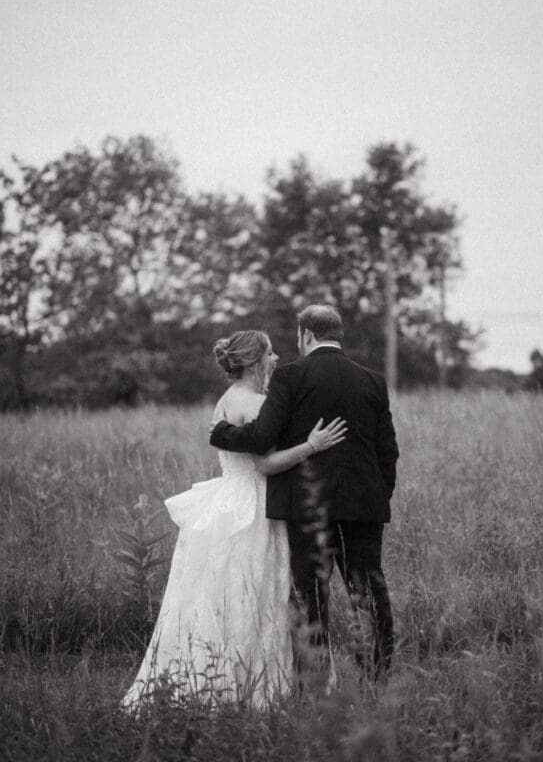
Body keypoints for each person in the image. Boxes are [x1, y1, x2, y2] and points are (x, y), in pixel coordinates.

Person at [122, 330, 346, 710]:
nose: (276, 359)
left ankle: (208, 676)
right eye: (271, 353)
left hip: (227, 501)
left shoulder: (225, 401)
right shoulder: (257, 404)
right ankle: (252, 689)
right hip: (253, 506)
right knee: (258, 594)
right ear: (255, 360)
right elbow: (264, 463)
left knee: (217, 596)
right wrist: (312, 446)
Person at [210, 304, 399, 683]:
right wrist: (378, 497)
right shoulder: (372, 380)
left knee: (310, 597)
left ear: (306, 335)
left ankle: (312, 684)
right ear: (336, 333)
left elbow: (262, 437)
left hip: (307, 509)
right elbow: (388, 451)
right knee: (368, 593)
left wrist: (221, 432)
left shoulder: (291, 377)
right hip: (364, 507)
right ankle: (377, 679)